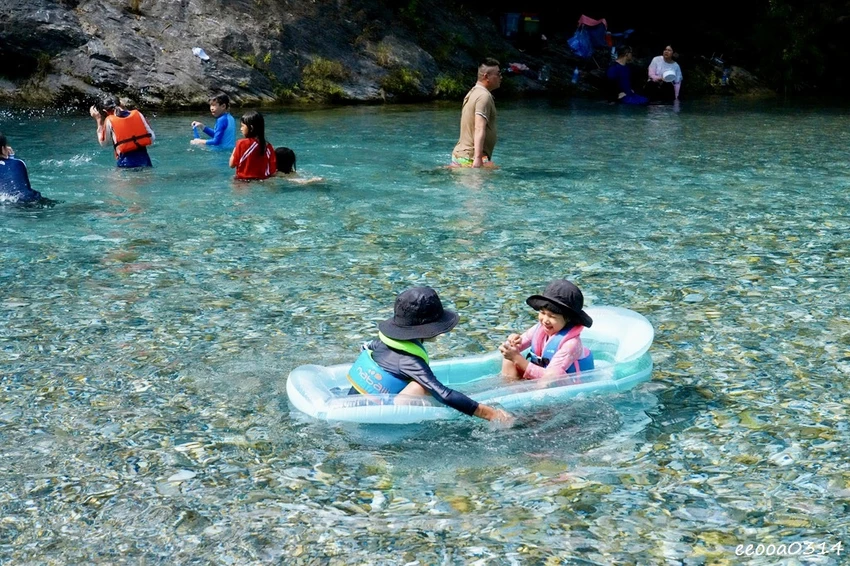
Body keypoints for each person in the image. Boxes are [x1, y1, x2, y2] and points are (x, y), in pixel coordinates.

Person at [346, 286, 513, 423]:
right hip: (374, 417)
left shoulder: (382, 342)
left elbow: (365, 349)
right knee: (422, 386)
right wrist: (490, 414)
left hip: (353, 404)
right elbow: (444, 394)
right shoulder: (410, 361)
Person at [500, 279, 595, 380]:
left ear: (568, 319)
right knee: (509, 358)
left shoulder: (571, 344)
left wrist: (517, 358)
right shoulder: (539, 329)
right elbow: (512, 349)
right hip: (539, 377)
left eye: (552, 316)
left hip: (565, 385)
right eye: (542, 313)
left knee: (549, 376)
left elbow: (552, 378)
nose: (545, 320)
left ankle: (517, 392)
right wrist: (513, 342)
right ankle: (510, 386)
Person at [450, 58, 501, 168]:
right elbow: (479, 127)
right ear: (486, 76)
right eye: (498, 74)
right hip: (472, 157)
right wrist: (478, 159)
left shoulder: (473, 92)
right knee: (497, 176)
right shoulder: (484, 96)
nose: (500, 77)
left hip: (463, 154)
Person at [88, 97, 155, 168]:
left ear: (105, 111)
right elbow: (152, 137)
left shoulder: (109, 120)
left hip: (126, 163)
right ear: (120, 104)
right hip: (146, 161)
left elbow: (103, 143)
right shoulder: (138, 114)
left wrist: (98, 120)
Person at [0, 132, 53, 206]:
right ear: (3, 149)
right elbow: (20, 178)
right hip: (31, 199)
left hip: (8, 202)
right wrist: (12, 157)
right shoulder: (19, 162)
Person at [229, 111, 276, 180]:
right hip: (262, 181)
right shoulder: (268, 146)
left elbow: (231, 165)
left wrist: (235, 149)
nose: (240, 129)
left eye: (242, 126)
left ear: (251, 127)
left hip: (242, 182)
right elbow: (272, 172)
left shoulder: (240, 143)